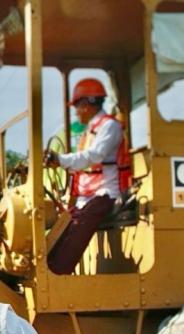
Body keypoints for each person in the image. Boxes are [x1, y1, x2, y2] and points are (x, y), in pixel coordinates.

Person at [44, 78, 132, 274]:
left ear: (87, 104)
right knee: (63, 228)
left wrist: (61, 160)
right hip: (88, 197)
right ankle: (46, 268)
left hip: (106, 194)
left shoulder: (110, 127)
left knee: (78, 228)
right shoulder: (91, 130)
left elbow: (95, 156)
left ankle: (56, 275)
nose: (76, 112)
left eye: (77, 106)